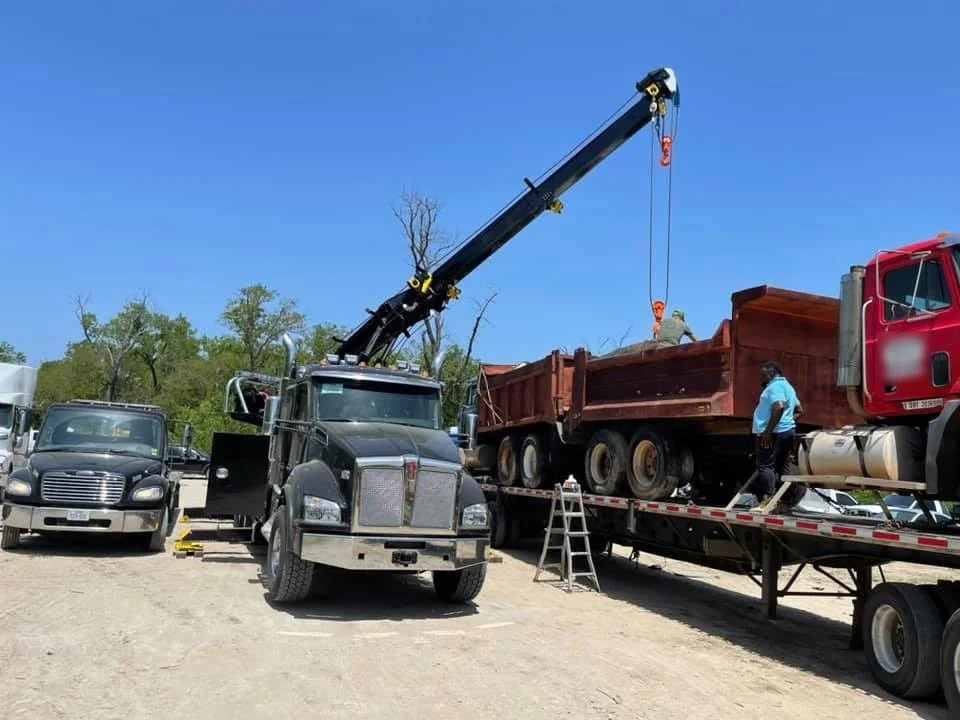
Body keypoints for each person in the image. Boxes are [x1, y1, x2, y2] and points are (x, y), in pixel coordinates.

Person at [752, 360, 803, 509]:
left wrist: (768, 431)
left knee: (765, 466)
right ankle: (784, 502)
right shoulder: (789, 387)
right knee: (782, 467)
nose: (761, 378)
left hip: (772, 434)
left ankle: (768, 501)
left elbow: (778, 406)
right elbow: (800, 411)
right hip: (786, 432)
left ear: (771, 373)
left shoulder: (775, 386)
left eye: (763, 375)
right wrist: (787, 422)